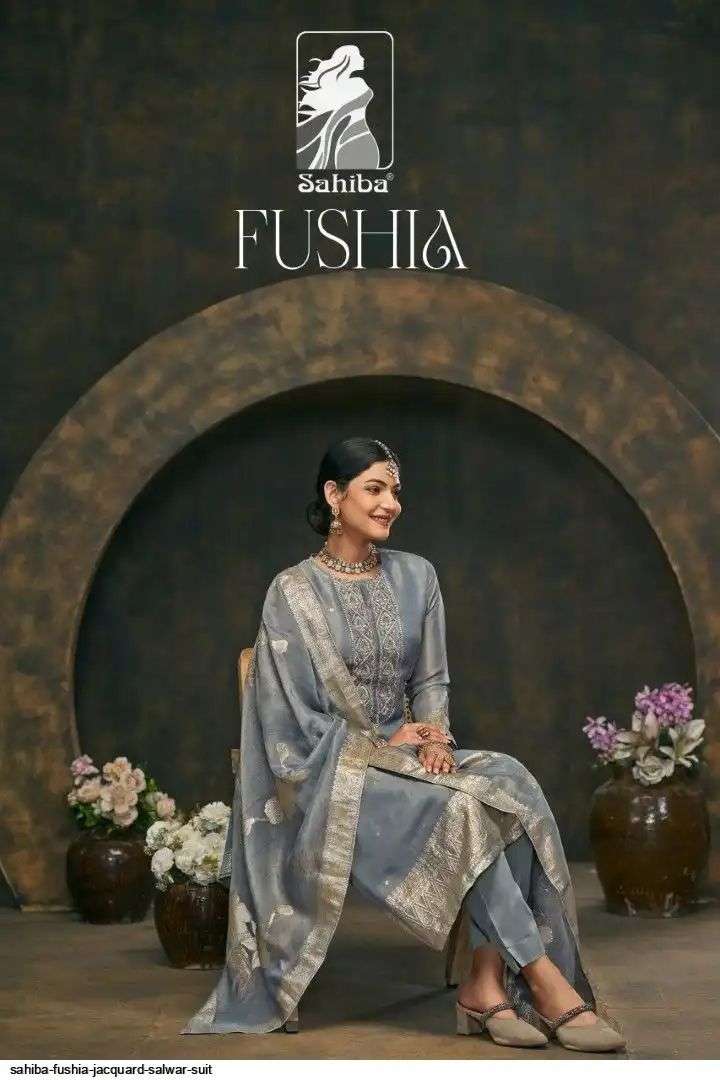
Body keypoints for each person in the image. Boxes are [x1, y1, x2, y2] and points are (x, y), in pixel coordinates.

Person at [181, 437, 625, 1053]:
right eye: (375, 488)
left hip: (413, 757)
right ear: (334, 495)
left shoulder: (418, 576)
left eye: (395, 491)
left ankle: (484, 982)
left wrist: (435, 738)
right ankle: (542, 977)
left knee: (511, 784)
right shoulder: (292, 593)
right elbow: (286, 722)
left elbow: (431, 681)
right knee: (465, 808)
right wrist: (382, 740)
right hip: (330, 775)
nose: (391, 503)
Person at [297, 45, 381, 170]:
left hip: (358, 139)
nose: (363, 58)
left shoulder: (358, 83)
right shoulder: (356, 84)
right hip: (352, 140)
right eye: (359, 55)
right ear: (348, 59)